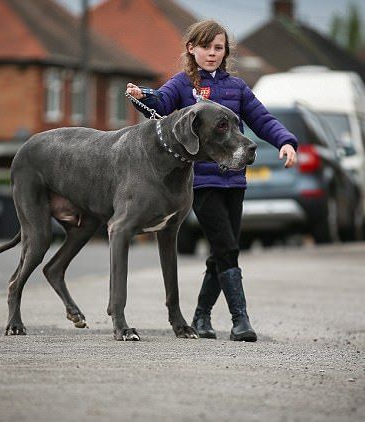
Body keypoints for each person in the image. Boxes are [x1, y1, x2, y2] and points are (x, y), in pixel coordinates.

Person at [126, 20, 298, 342]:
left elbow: (262, 119)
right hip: (201, 182)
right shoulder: (180, 85)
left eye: (219, 48)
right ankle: (240, 321)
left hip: (235, 181)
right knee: (227, 247)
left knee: (224, 249)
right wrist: (143, 95)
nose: (212, 53)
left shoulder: (237, 89)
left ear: (225, 52)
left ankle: (201, 317)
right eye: (206, 47)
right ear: (191, 49)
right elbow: (160, 106)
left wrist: (285, 141)